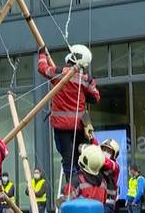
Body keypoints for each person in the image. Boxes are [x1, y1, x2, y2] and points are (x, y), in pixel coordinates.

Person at [37, 45, 100, 180]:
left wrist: (42, 55)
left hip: (61, 125)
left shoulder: (60, 72)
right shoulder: (86, 78)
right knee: (78, 156)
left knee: (67, 156)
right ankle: (81, 182)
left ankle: (71, 185)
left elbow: (43, 69)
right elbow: (95, 97)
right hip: (79, 124)